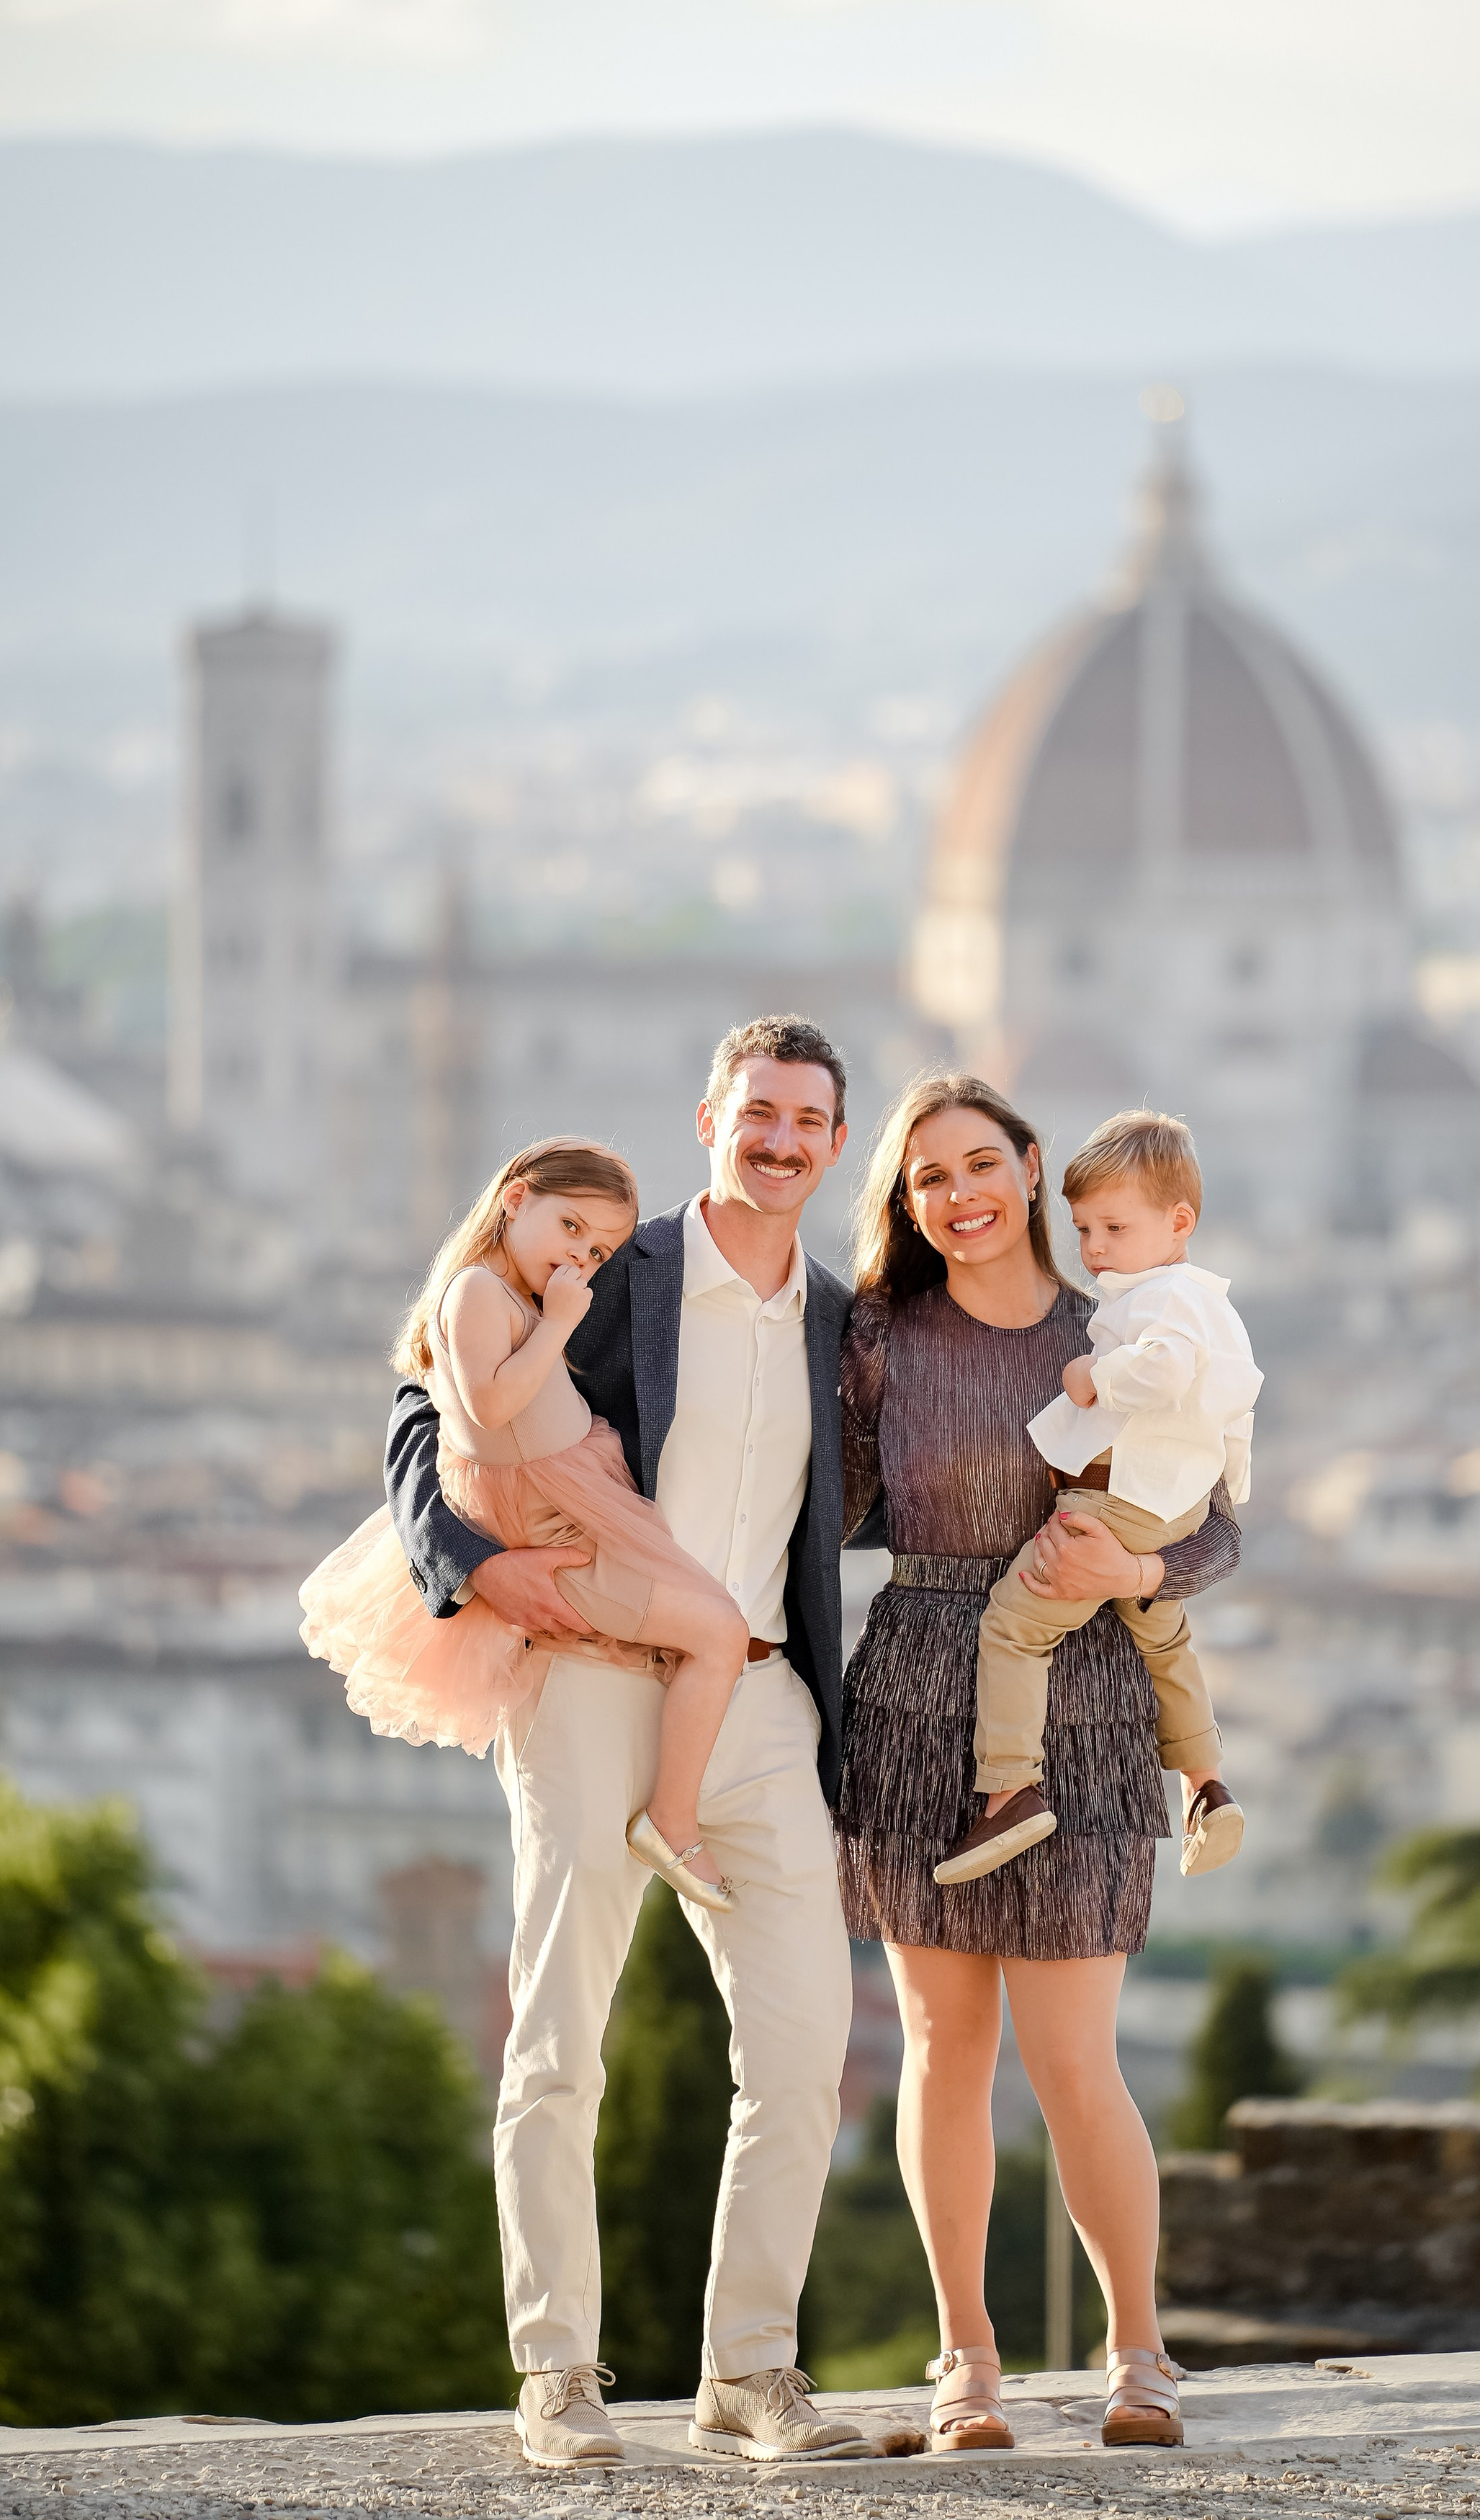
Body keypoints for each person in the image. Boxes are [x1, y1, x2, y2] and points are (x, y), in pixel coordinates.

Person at [380, 1018, 879, 2471]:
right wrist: (461, 1562)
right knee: (559, 2042)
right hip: (594, 1681)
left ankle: (752, 2375)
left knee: (801, 2050)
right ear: (712, 1119)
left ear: (834, 1146)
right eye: (758, 1114)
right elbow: (430, 1391)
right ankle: (557, 2375)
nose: (780, 1141)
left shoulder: (842, 1321)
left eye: (807, 1122)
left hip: (763, 1701)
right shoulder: (618, 1278)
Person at [833, 1071, 1242, 2454]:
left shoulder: (1120, 1324)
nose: (955, 1196)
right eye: (924, 1178)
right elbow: (820, 1507)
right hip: (913, 1695)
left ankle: (1140, 2353)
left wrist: (1147, 1558)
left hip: (1094, 1699)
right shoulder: (882, 1333)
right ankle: (968, 2364)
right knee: (945, 2050)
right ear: (908, 1202)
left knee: (1078, 2060)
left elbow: (1217, 1522)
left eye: (977, 1164)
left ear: (1028, 1168)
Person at [303, 1137, 750, 1908]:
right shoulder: (479, 1291)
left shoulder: (510, 1295)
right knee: (718, 1633)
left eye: (599, 1246)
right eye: (570, 1227)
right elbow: (490, 1406)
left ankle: (671, 1807)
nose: (581, 1256)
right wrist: (560, 1323)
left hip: (572, 1513)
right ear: (515, 1198)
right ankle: (671, 1823)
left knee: (704, 1632)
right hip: (554, 1528)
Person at [934, 1108, 1259, 1889]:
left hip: (1117, 1501)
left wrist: (1093, 1378)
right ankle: (1205, 1785)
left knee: (1014, 1626)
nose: (1096, 1249)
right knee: (1164, 1638)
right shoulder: (1207, 1299)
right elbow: (1232, 1409)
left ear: (1179, 1222)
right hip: (1169, 1501)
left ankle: (1009, 1790)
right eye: (1083, 1230)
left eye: (1114, 1227)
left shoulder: (1161, 1302)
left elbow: (1165, 1370)